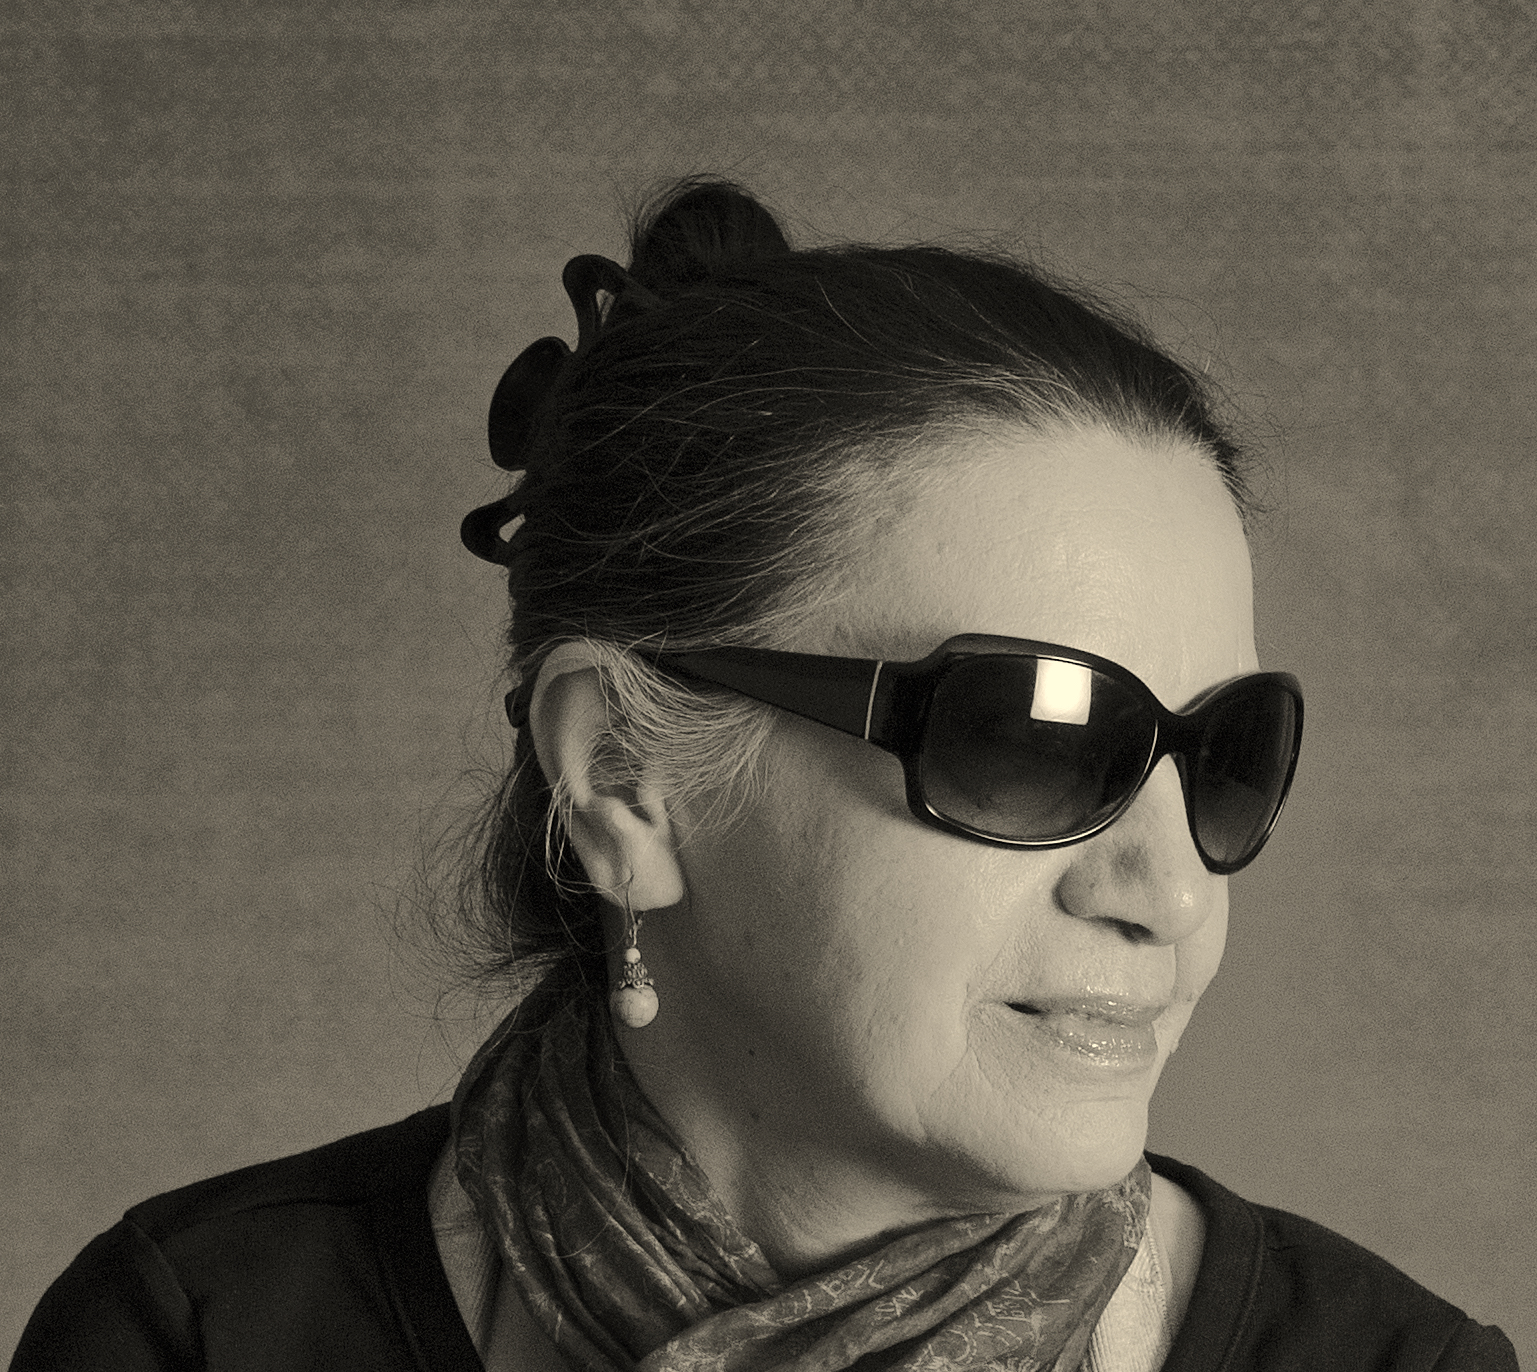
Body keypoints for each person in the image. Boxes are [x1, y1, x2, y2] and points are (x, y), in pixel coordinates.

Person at [13, 178, 1518, 1372]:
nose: (1170, 893)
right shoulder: (199, 1333)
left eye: (1222, 755)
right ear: (622, 779)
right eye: (1029, 740)